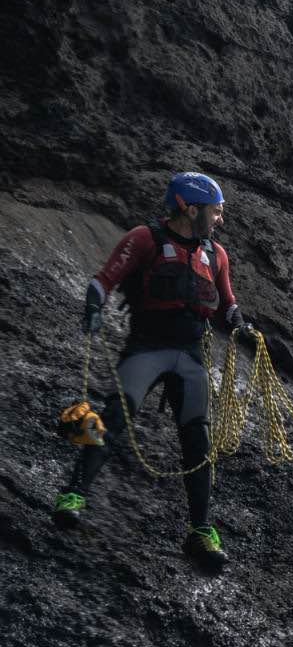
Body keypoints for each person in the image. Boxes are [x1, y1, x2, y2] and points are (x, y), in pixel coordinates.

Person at [52, 172, 255, 570]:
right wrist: (93, 308)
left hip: (191, 355)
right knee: (115, 417)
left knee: (198, 441)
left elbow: (227, 305)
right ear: (188, 207)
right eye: (215, 212)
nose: (219, 220)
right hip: (147, 347)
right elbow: (103, 281)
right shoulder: (145, 239)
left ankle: (201, 531)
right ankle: (73, 494)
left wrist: (241, 325)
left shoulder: (217, 255)